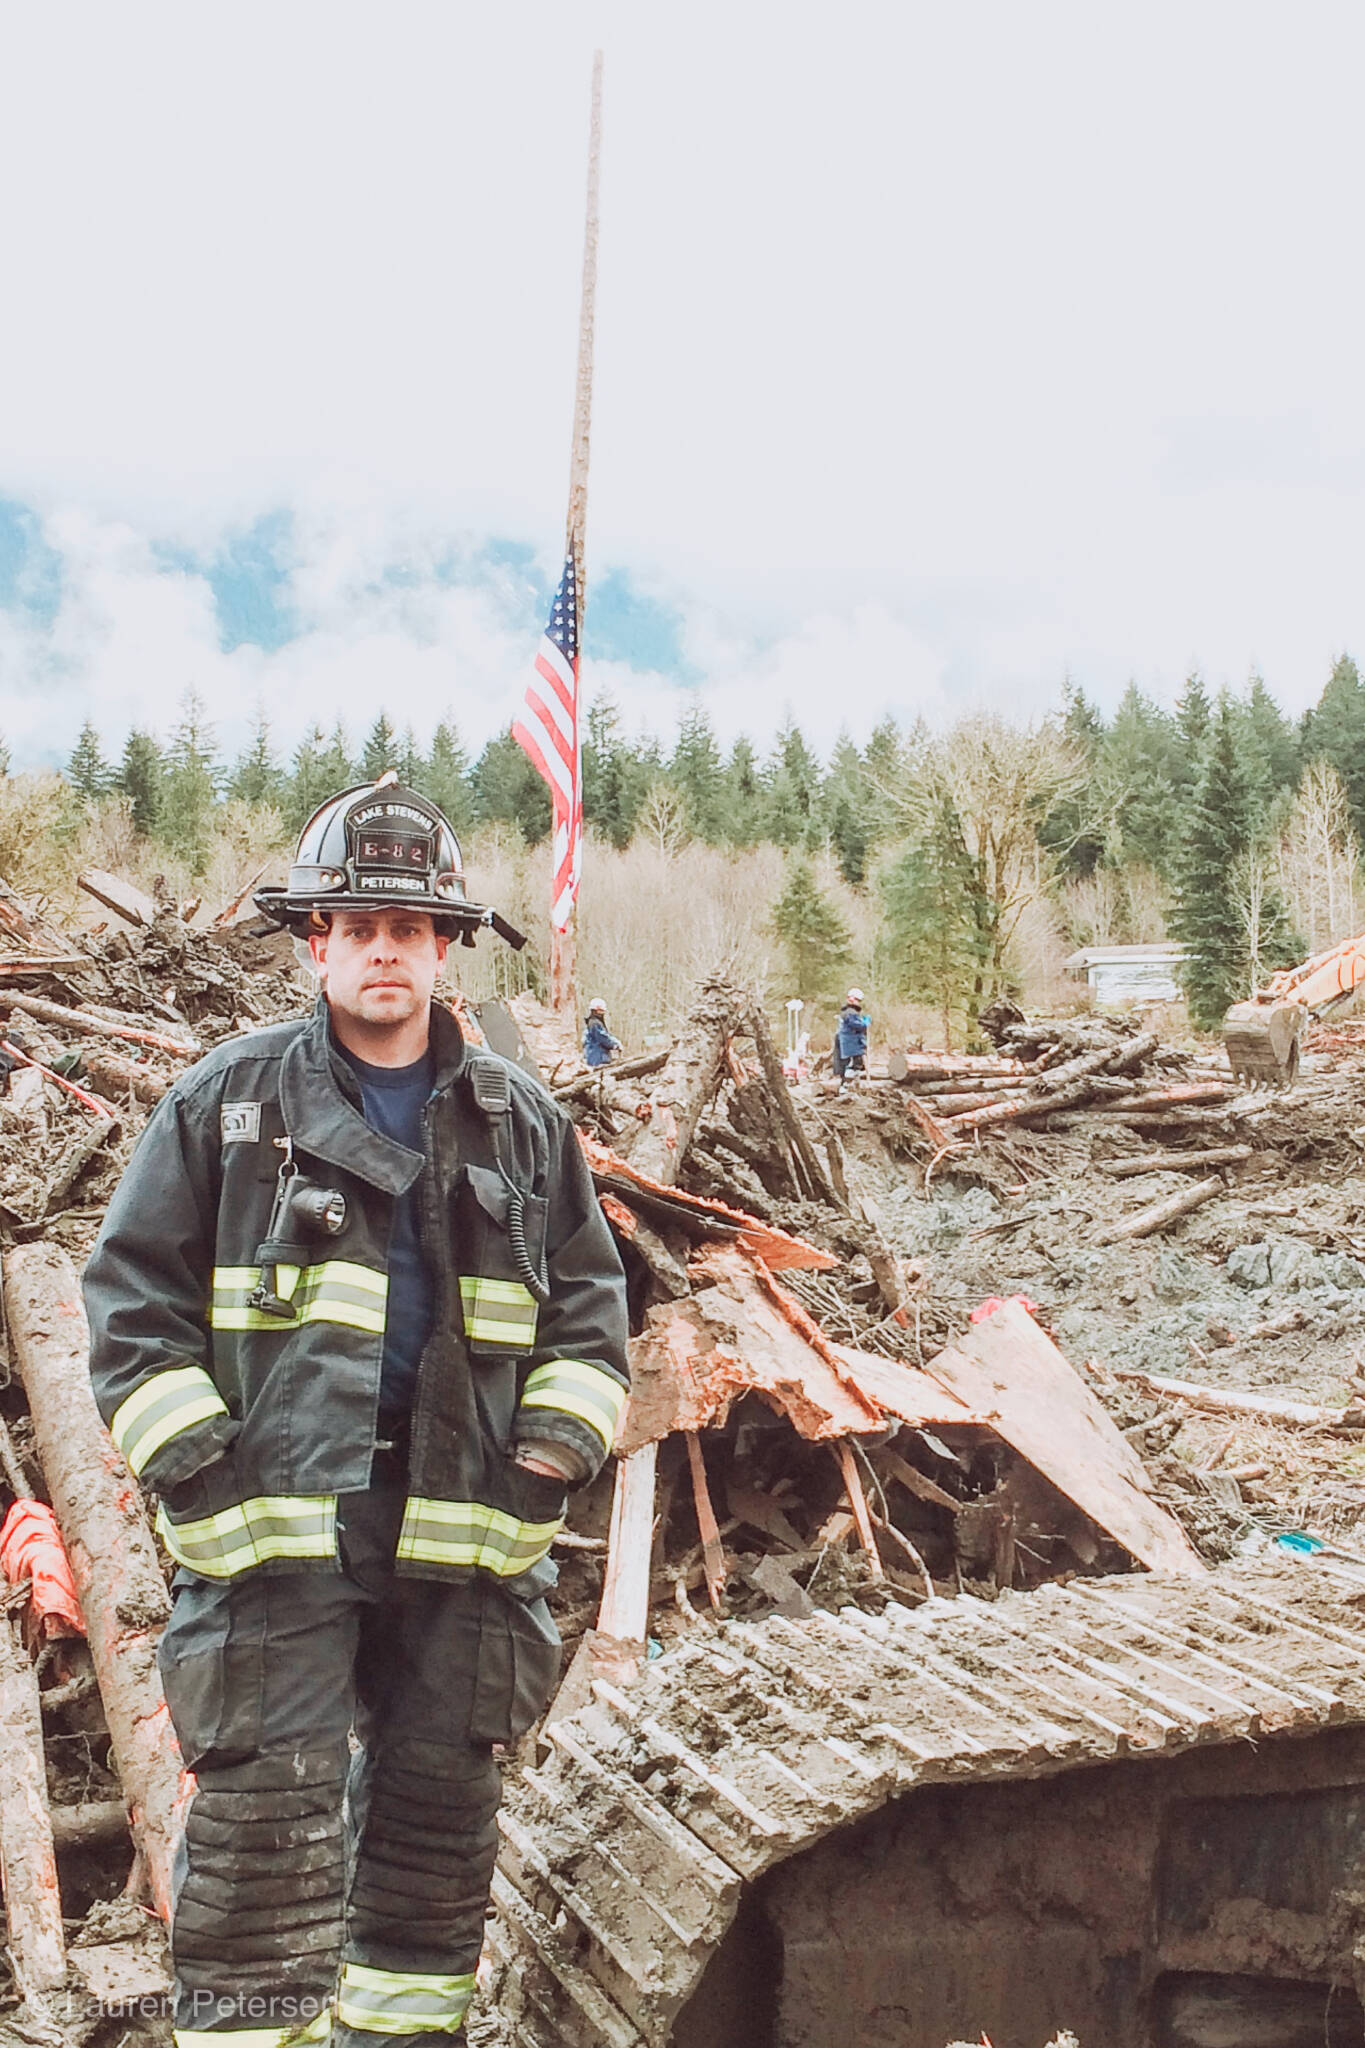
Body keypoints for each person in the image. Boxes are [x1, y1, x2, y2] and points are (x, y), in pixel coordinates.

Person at [84, 774, 629, 2048]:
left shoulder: (523, 1122)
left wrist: (546, 1463)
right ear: (313, 940)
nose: (386, 949)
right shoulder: (226, 1103)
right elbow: (129, 1305)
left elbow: (592, 1318)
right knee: (262, 1827)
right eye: (358, 925)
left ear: (447, 946)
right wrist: (201, 1475)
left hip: (467, 1535)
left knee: (437, 1836)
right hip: (274, 1540)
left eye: (412, 927)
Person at [835, 986, 870, 1086]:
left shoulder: (848, 1012)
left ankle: (850, 1085)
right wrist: (865, 1024)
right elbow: (856, 1025)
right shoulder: (850, 1013)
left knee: (852, 1066)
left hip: (851, 1044)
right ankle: (846, 1086)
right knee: (852, 1066)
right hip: (851, 1044)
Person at [582, 996, 621, 1070]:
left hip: (595, 1056)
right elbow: (603, 1038)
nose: (602, 1013)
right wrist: (615, 1045)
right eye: (600, 1011)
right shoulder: (595, 1023)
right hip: (598, 1058)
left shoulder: (593, 1023)